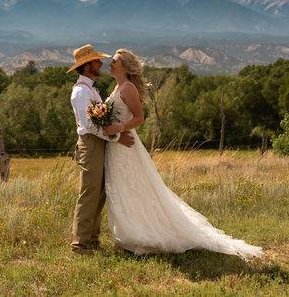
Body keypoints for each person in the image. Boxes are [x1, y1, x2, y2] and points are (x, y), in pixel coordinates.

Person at [102, 48, 263, 259]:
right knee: (122, 188)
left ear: (123, 65)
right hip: (116, 146)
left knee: (135, 187)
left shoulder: (128, 88)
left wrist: (118, 129)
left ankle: (142, 232)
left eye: (113, 61)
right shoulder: (117, 87)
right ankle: (128, 231)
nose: (110, 64)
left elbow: (139, 118)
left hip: (127, 145)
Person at [68, 44, 134, 253]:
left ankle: (92, 240)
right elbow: (89, 126)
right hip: (90, 145)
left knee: (99, 193)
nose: (101, 63)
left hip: (98, 143)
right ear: (87, 66)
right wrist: (115, 136)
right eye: (97, 61)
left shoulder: (89, 89)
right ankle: (81, 242)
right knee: (89, 192)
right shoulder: (81, 92)